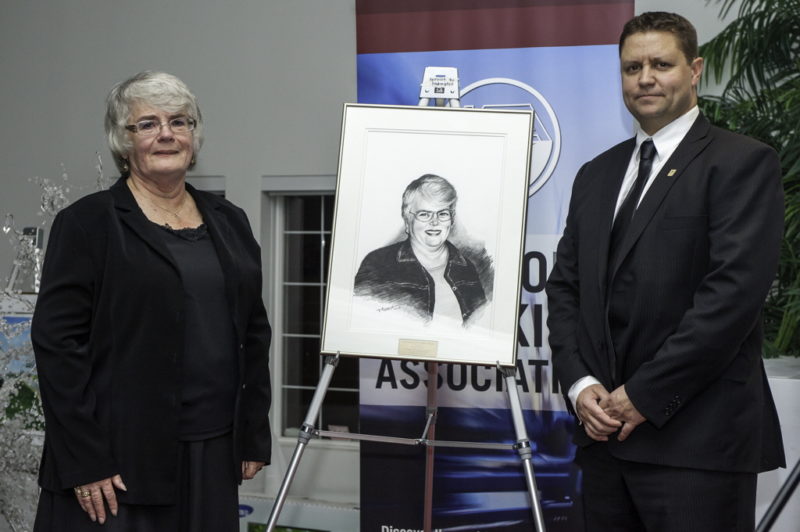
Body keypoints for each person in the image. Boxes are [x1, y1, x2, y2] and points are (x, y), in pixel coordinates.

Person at [546, 12, 785, 531]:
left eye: (661, 63)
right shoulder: (595, 174)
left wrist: (643, 395)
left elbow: (732, 298)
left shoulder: (741, 163)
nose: (645, 78)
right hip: (603, 440)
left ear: (694, 69)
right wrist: (580, 383)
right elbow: (565, 287)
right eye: (632, 67)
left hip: (696, 445)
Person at [31, 71, 272, 531]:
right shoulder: (88, 224)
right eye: (147, 124)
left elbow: (253, 331)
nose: (166, 134)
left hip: (213, 451)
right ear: (123, 142)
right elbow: (57, 347)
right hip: (116, 461)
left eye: (180, 122)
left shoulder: (230, 220)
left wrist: (253, 433)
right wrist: (84, 459)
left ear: (195, 137)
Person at [354, 174, 490, 325]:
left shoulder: (467, 268)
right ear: (407, 220)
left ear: (451, 220)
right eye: (424, 214)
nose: (434, 222)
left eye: (443, 213)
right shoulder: (377, 265)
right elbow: (362, 324)